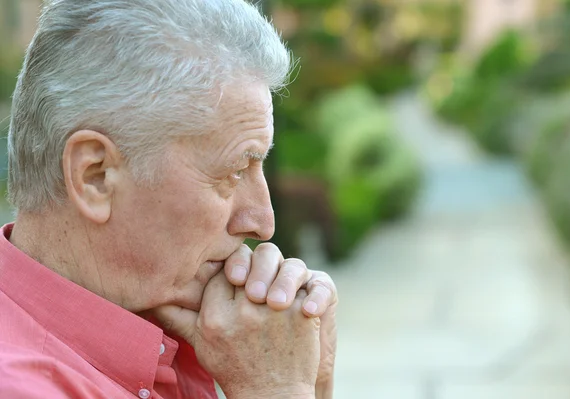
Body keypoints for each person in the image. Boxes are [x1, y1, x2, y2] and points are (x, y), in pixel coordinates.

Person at [0, 0, 338, 398]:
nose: (263, 222)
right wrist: (275, 388)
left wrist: (310, 378)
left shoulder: (196, 330)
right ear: (95, 176)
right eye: (232, 171)